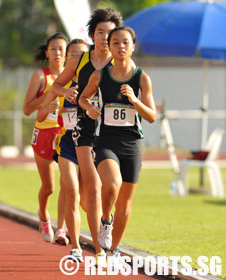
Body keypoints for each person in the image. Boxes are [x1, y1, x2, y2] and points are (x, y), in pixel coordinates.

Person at [50, 8, 123, 265]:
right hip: (81, 132)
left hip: (110, 135)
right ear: (92, 35)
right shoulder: (80, 59)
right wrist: (66, 93)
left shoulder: (120, 64)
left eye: (110, 33)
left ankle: (105, 229)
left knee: (106, 189)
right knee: (85, 189)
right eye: (100, 32)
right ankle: (89, 249)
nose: (105, 37)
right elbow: (57, 84)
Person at [79, 26, 156, 267]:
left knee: (125, 202)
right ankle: (105, 221)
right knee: (112, 184)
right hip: (106, 142)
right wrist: (89, 107)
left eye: (125, 43)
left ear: (133, 46)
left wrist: (134, 100)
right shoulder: (100, 75)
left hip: (131, 144)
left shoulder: (141, 77)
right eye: (116, 43)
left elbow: (152, 116)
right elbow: (83, 97)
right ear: (109, 47)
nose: (120, 47)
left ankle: (113, 250)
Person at [39, 39, 89, 259]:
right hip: (66, 143)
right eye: (73, 55)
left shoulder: (95, 82)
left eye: (82, 55)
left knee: (87, 199)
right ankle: (67, 235)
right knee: (69, 189)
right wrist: (49, 108)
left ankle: (103, 224)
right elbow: (39, 114)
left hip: (89, 145)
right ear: (68, 59)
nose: (77, 59)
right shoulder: (59, 86)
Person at [23, 33, 68, 243]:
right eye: (54, 49)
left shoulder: (73, 75)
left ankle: (62, 228)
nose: (58, 53)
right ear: (47, 52)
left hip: (65, 133)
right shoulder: (41, 76)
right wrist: (47, 97)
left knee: (69, 183)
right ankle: (43, 215)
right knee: (49, 187)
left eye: (61, 49)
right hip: (43, 133)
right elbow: (27, 109)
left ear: (67, 52)